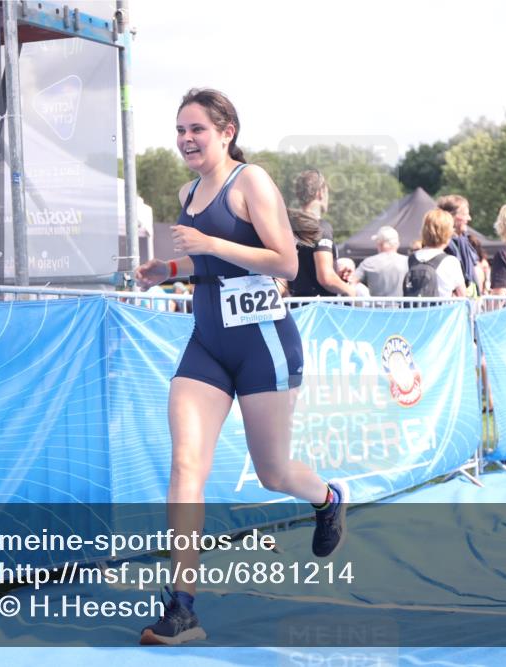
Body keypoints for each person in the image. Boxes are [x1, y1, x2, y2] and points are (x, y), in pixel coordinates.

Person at [134, 89, 348, 645]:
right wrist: (171, 267)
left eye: (196, 129)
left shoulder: (249, 182)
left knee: (273, 473)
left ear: (226, 131)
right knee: (185, 466)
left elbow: (285, 260)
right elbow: (206, 259)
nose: (185, 139)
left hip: (263, 344)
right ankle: (183, 607)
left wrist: (205, 241)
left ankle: (327, 498)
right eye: (180, 129)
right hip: (207, 343)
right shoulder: (187, 190)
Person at [287, 170, 356, 297]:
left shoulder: (288, 225)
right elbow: (325, 278)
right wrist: (350, 290)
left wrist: (336, 275)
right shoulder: (320, 227)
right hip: (320, 310)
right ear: (320, 192)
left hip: (296, 307)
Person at [406, 209, 466, 297]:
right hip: (442, 310)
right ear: (447, 233)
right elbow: (462, 296)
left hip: (415, 310)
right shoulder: (451, 262)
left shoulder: (410, 259)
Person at [351, 226, 409, 296]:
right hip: (404, 306)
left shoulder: (369, 262)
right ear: (397, 243)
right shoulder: (408, 262)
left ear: (380, 244)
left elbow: (352, 283)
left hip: (376, 306)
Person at [437, 194, 479, 290]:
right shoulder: (442, 245)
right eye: (464, 214)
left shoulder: (464, 241)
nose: (469, 218)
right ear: (451, 216)